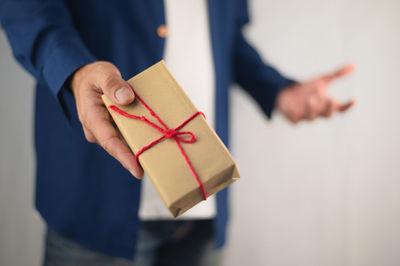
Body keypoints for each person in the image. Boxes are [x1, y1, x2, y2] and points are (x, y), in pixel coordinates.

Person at [0, 0, 355, 265]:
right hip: (97, 198)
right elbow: (28, 10)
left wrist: (278, 90)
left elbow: (227, 35)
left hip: (203, 201)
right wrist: (76, 72)